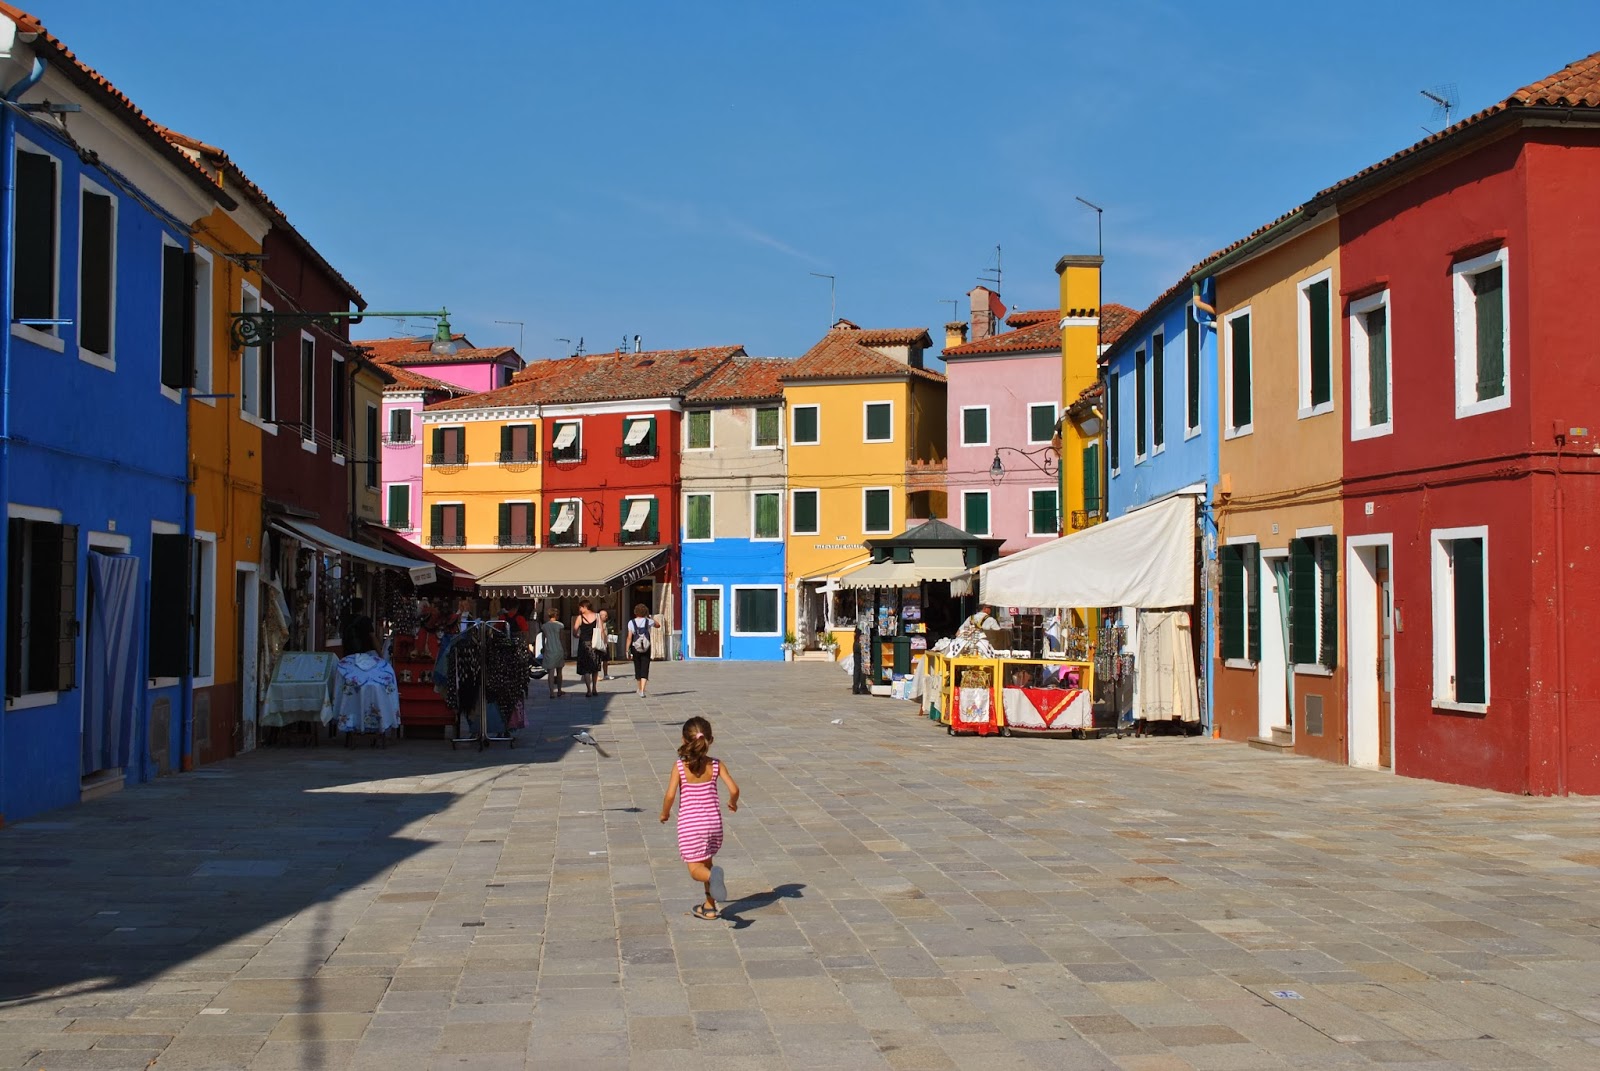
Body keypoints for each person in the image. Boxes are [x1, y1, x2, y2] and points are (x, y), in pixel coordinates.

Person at [659, 716, 739, 920]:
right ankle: (709, 907)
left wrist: (665, 813)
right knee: (706, 862)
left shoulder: (680, 767)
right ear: (709, 740)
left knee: (696, 868)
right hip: (713, 825)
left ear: (684, 740)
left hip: (691, 826)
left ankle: (713, 877)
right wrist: (733, 802)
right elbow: (734, 788)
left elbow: (670, 795)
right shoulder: (716, 764)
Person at [573, 598, 602, 697]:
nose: (580, 609)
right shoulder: (597, 616)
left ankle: (588, 690)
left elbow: (574, 632)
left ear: (585, 607)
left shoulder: (580, 618)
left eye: (581, 607)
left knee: (586, 668)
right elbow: (601, 630)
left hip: (584, 644)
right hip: (595, 644)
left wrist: (578, 635)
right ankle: (594, 688)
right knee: (594, 667)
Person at [627, 603, 653, 697]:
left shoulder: (631, 622)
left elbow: (629, 637)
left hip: (635, 647)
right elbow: (658, 625)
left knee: (637, 667)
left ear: (635, 612)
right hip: (646, 647)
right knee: (645, 667)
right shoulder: (648, 621)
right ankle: (642, 689)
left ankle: (639, 688)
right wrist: (649, 617)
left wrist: (627, 650)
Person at [540, 610, 567, 698]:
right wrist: (565, 650)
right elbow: (562, 639)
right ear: (557, 615)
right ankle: (559, 690)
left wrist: (543, 648)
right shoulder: (560, 625)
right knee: (559, 671)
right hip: (558, 648)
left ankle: (551, 692)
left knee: (550, 672)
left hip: (549, 649)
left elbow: (543, 639)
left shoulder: (544, 626)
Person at [597, 608, 614, 681]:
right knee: (597, 660)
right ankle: (596, 675)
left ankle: (605, 674)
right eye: (605, 616)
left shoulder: (605, 624)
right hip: (599, 643)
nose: (606, 617)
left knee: (605, 660)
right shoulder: (597, 623)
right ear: (601, 616)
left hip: (605, 643)